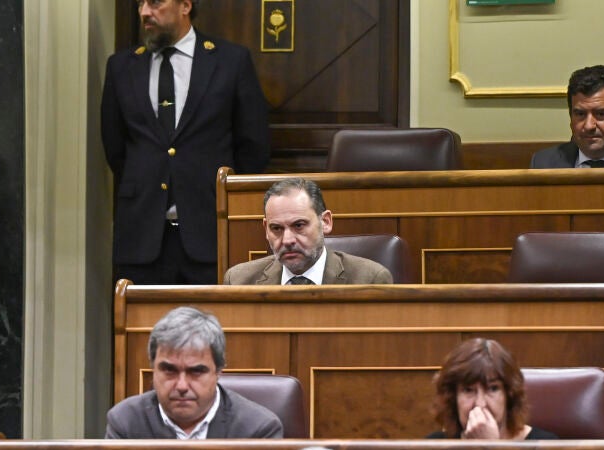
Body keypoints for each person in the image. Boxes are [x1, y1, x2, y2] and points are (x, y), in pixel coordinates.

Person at [101, 0, 270, 285]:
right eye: (141, 3)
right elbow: (115, 149)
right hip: (141, 236)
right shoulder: (121, 66)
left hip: (210, 234)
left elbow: (253, 145)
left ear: (185, 6)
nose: (144, 12)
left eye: (155, 3)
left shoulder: (230, 61)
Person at [105, 306, 283, 438]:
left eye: (196, 371)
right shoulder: (126, 421)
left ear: (218, 371)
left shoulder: (258, 429)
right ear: (153, 369)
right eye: (169, 370)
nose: (182, 386)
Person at [223, 177, 393, 285]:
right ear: (266, 229)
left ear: (325, 222)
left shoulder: (370, 280)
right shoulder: (239, 281)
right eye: (277, 228)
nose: (287, 240)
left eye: (299, 226)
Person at [427, 338, 558, 440]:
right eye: (468, 390)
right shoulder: (435, 445)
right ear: (453, 398)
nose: (480, 404)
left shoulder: (546, 444)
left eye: (493, 389)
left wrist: (492, 447)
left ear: (509, 395)